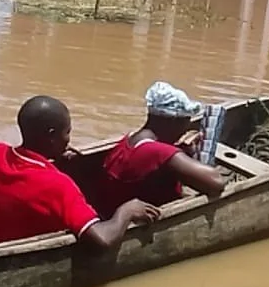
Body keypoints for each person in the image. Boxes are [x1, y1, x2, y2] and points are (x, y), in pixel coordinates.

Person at [0, 95, 159, 248]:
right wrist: (127, 211)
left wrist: (50, 162)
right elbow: (103, 240)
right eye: (67, 132)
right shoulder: (58, 185)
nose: (68, 139)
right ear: (51, 136)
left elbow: (21, 175)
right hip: (25, 255)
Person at [92, 81, 226, 220]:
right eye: (186, 121)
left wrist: (181, 152)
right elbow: (216, 183)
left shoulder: (130, 139)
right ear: (172, 121)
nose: (187, 127)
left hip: (110, 213)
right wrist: (180, 155)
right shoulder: (159, 152)